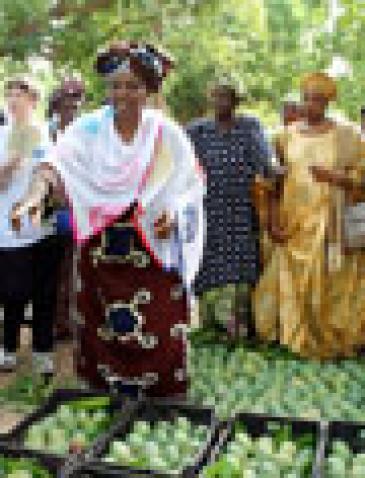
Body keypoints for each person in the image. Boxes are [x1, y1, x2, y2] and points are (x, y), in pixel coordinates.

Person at [11, 41, 204, 398]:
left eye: (132, 85)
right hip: (101, 254)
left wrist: (172, 214)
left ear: (147, 91)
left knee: (158, 326)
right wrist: (35, 196)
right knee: (102, 327)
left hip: (152, 248)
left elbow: (191, 185)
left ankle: (163, 399)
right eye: (116, 85)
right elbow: (54, 164)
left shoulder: (166, 133)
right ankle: (105, 395)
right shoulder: (88, 130)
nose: (123, 93)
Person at [254, 72, 365, 359]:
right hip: (294, 223)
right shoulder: (283, 136)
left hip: (330, 225)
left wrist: (336, 178)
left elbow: (361, 178)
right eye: (306, 98)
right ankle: (290, 336)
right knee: (288, 275)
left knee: (332, 280)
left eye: (318, 100)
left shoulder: (348, 135)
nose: (310, 105)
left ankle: (329, 340)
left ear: (328, 102)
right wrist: (272, 219)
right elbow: (269, 182)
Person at [187, 79, 275, 342]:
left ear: (237, 102)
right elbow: (181, 163)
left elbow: (265, 162)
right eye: (216, 97)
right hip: (208, 210)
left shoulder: (249, 127)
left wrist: (278, 172)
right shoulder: (197, 131)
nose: (220, 103)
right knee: (209, 266)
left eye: (226, 98)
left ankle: (236, 332)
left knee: (238, 268)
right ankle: (210, 328)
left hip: (239, 211)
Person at [0, 79, 62, 374]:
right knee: (13, 292)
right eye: (9, 94)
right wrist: (14, 160)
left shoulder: (44, 135)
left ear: (33, 101)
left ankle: (42, 351)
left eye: (20, 95)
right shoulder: (2, 135)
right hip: (10, 230)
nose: (13, 100)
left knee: (44, 292)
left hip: (44, 228)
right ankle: (8, 347)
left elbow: (51, 175)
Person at [47, 79, 85, 342]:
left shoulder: (84, 134)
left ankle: (66, 321)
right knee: (50, 265)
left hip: (75, 207)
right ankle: (51, 319)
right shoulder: (45, 132)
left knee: (71, 265)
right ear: (56, 104)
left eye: (75, 103)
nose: (70, 108)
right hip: (47, 208)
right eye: (66, 102)